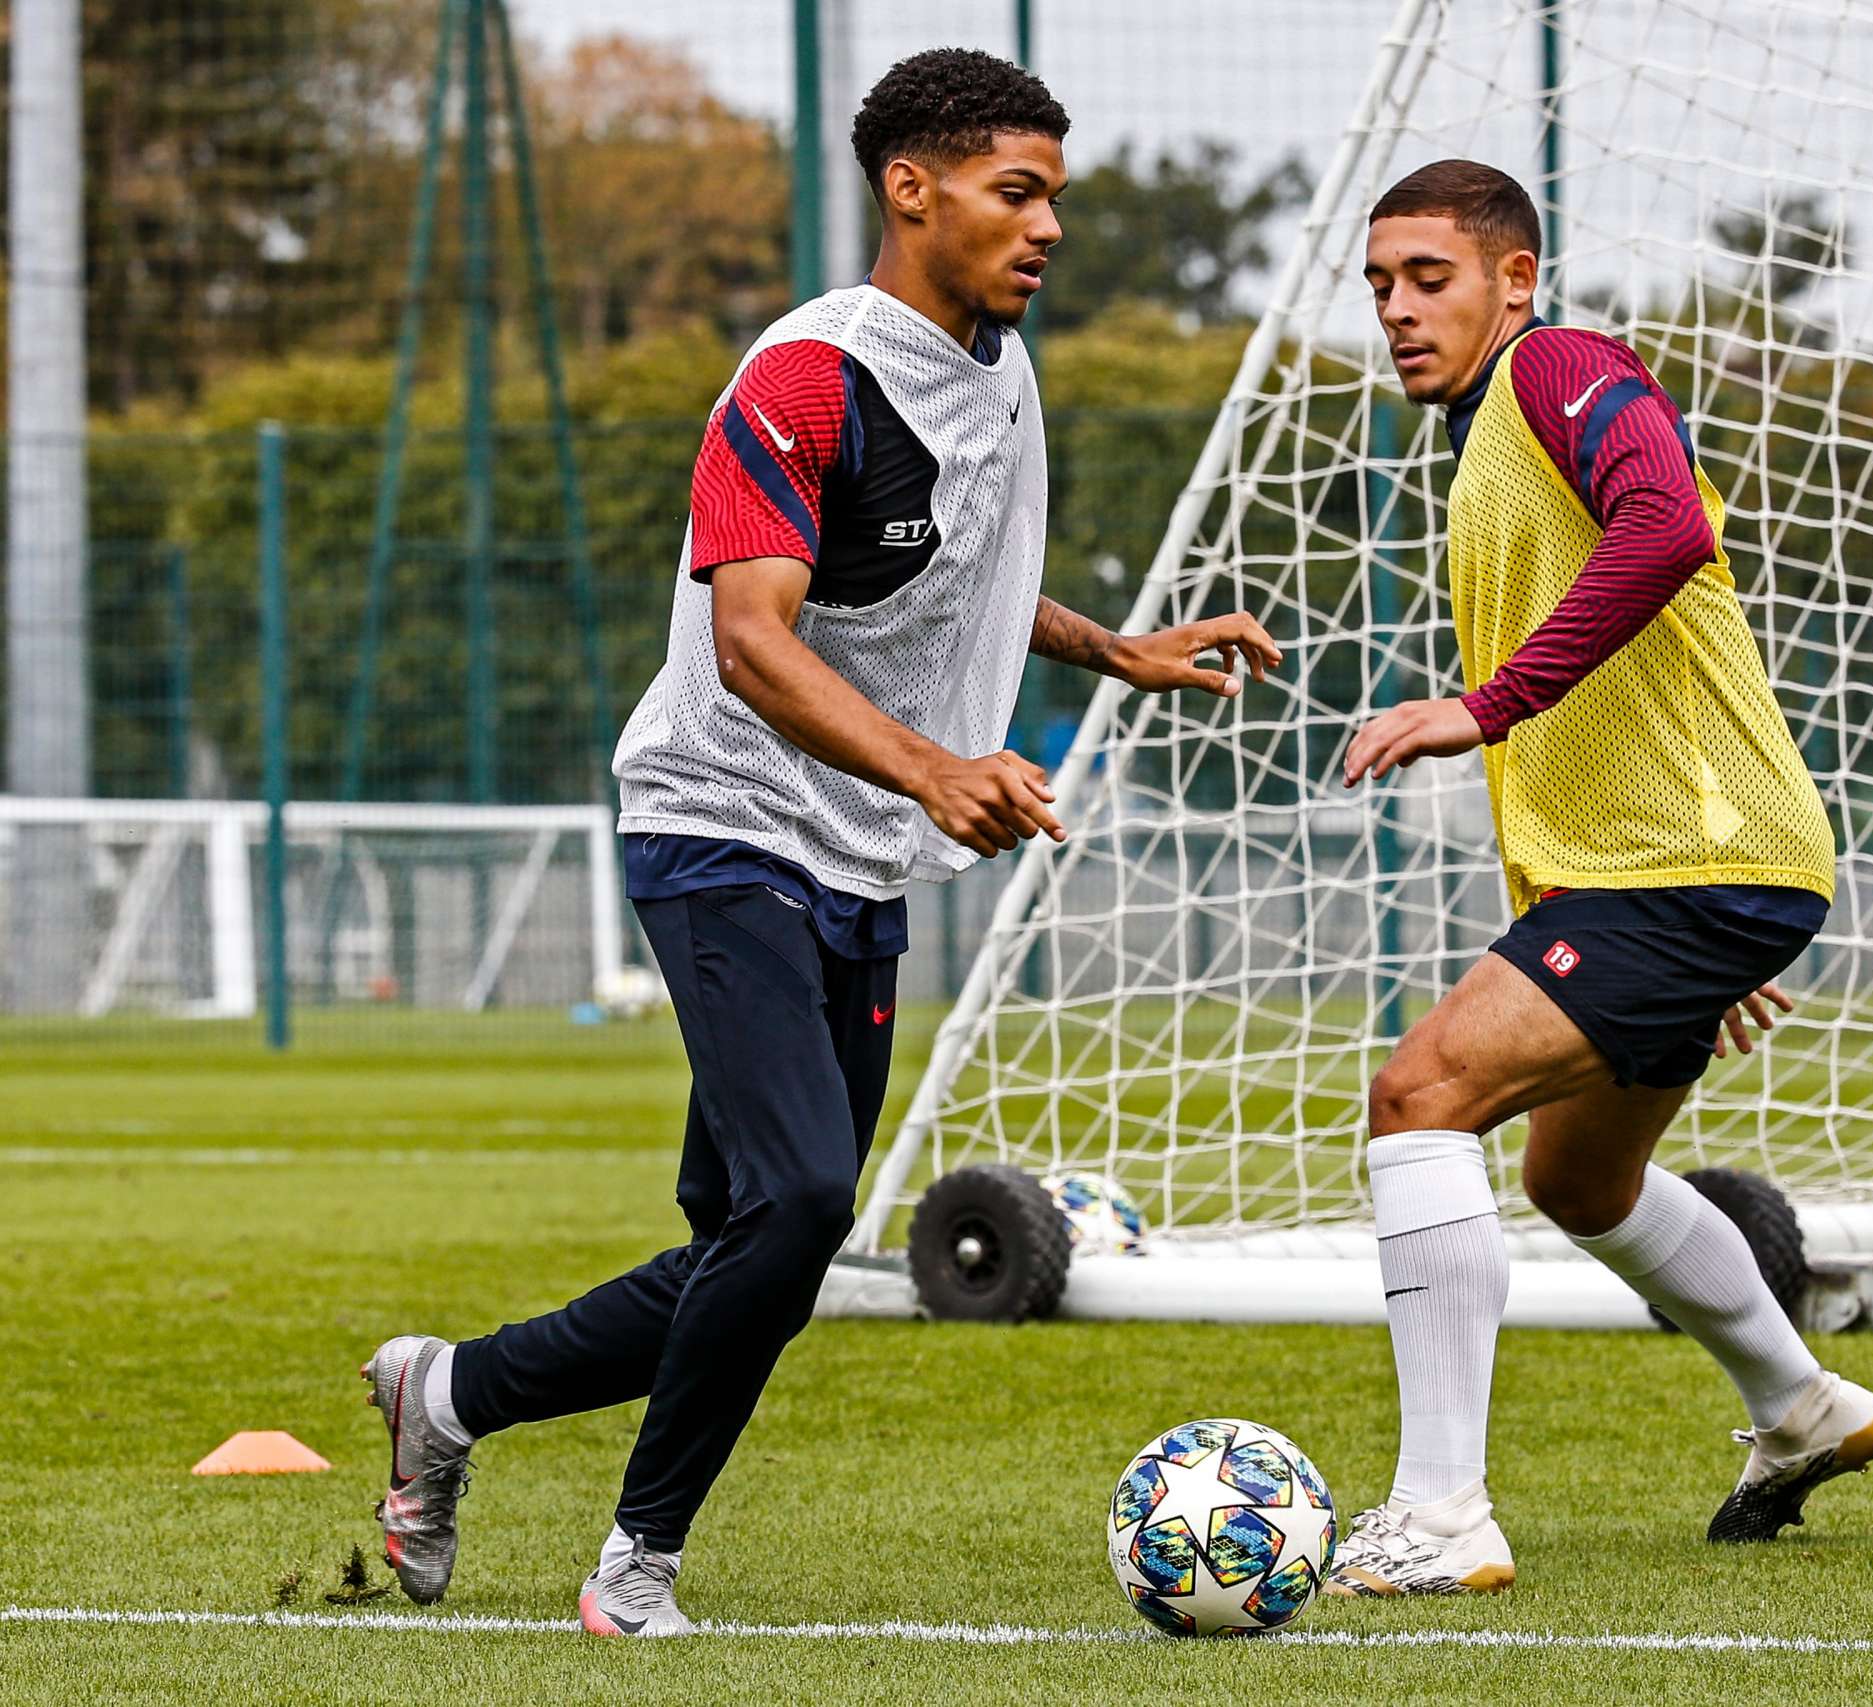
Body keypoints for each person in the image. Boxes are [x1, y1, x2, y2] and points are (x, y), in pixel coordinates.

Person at [359, 47, 1280, 1637]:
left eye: (1054, 194)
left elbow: (940, 591)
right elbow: (755, 643)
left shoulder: (995, 364)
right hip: (722, 826)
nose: (1048, 225)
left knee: (758, 1244)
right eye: (1019, 191)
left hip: (852, 848)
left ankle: (448, 1397)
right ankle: (636, 1562)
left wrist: (1109, 649)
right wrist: (934, 770)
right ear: (910, 189)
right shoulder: (804, 380)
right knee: (792, 1205)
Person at [1324, 159, 1873, 1597]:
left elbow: (1668, 524)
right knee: (1578, 1175)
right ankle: (1804, 1407)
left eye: (1429, 277)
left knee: (1419, 1096)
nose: (1397, 309)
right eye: (1379, 284)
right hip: (1675, 880)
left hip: (1684, 871)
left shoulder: (1562, 366)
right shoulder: (1482, 444)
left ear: (1516, 278)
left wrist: (1487, 701)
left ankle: (1443, 1515)